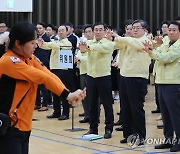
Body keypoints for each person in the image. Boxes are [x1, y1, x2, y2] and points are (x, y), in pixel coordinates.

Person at [0, 21, 86, 154]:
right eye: (32, 43)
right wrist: (67, 96)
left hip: (24, 127)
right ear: (18, 43)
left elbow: (47, 74)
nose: (35, 46)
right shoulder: (9, 61)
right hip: (10, 128)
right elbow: (41, 77)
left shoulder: (29, 58)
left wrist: (68, 93)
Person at [143, 21, 180, 152]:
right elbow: (158, 52)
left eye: (174, 30)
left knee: (175, 114)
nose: (170, 32)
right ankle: (168, 139)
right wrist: (153, 48)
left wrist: (151, 52)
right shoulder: (165, 43)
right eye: (169, 30)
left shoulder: (179, 45)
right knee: (165, 114)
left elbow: (166, 57)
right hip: (161, 81)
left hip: (173, 83)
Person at [114, 20, 151, 145]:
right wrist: (111, 39)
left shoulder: (146, 41)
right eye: (132, 28)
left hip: (137, 77)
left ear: (144, 30)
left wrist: (120, 38)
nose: (134, 30)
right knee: (126, 108)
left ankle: (140, 135)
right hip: (125, 76)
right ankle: (128, 134)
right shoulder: (129, 40)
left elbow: (135, 44)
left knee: (136, 108)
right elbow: (117, 46)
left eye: (137, 28)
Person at [79, 22, 117, 139]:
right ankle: (93, 128)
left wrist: (88, 48)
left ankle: (109, 128)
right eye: (96, 30)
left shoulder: (109, 43)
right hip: (91, 76)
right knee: (92, 104)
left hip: (103, 76)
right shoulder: (89, 42)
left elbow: (102, 48)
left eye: (101, 29)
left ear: (105, 31)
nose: (98, 32)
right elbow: (83, 52)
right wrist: (83, 51)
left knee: (107, 104)